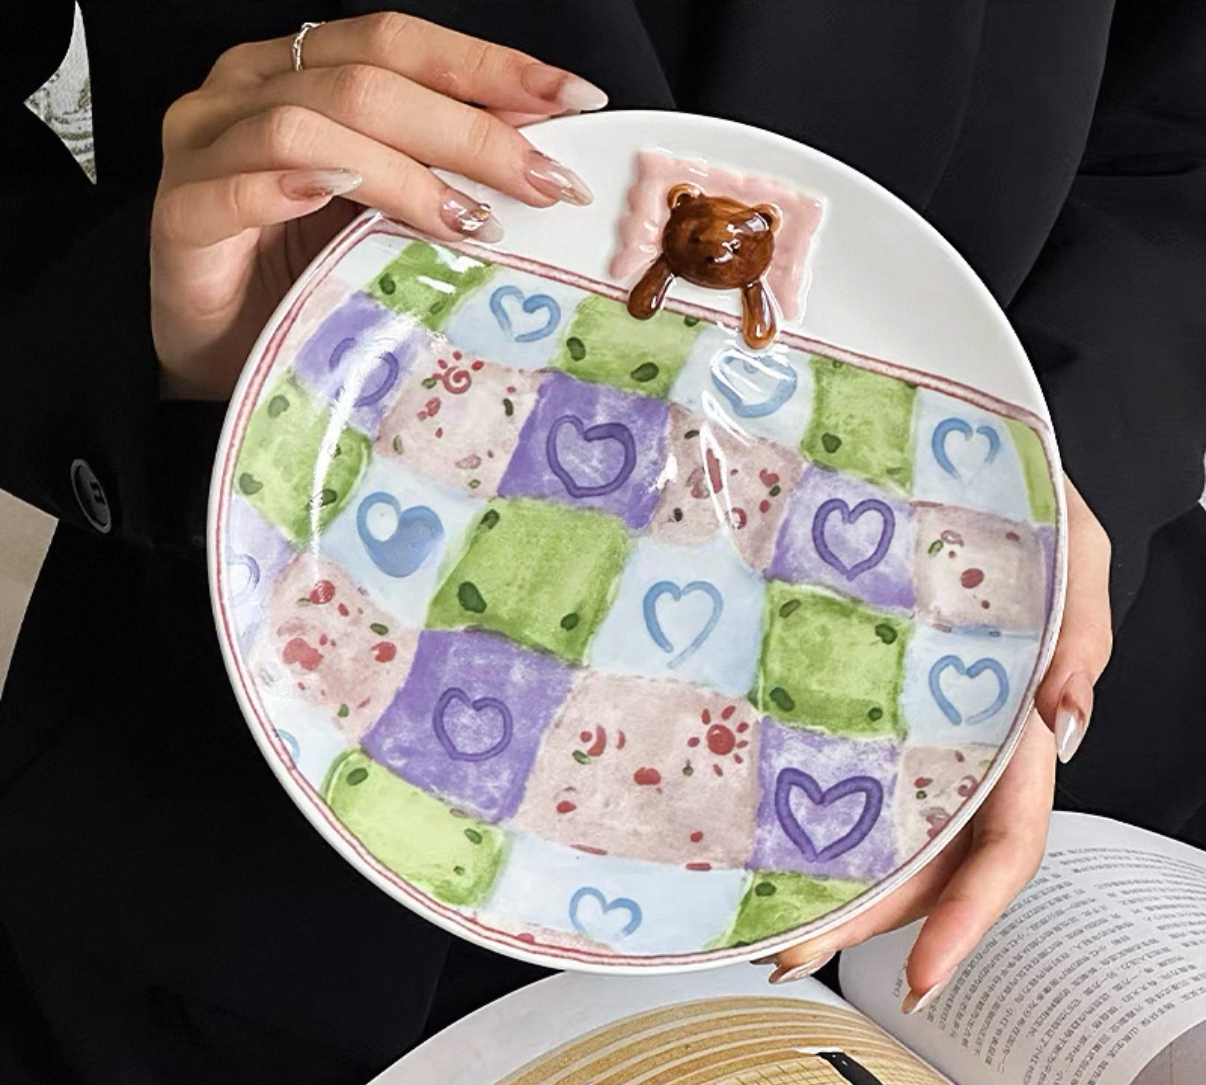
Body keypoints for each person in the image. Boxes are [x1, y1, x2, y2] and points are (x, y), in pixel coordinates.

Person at [1, 2, 1202, 1081]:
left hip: (1043, 790)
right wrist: (138, 331)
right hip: (251, 810)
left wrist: (1061, 474)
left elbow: (1175, 134)